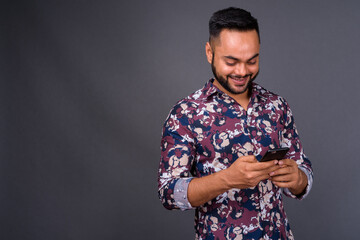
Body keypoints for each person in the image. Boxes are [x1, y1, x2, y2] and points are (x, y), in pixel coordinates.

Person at [158, 7, 313, 240]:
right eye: (231, 61)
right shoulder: (185, 114)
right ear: (209, 52)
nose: (242, 71)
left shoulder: (277, 105)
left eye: (252, 61)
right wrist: (227, 179)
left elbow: (304, 173)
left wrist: (298, 179)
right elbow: (169, 193)